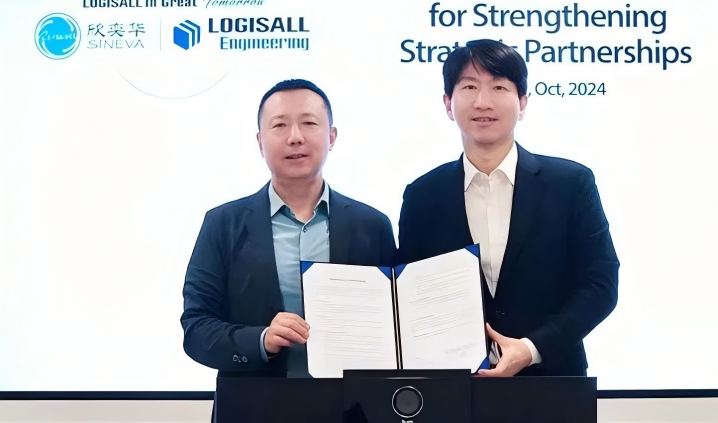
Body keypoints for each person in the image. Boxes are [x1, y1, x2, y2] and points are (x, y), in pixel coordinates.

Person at [398, 40, 619, 377]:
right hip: (453, 386)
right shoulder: (422, 195)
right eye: (469, 87)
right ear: (448, 103)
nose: (483, 101)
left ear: (522, 102)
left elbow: (600, 285)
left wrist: (531, 349)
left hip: (553, 381)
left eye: (499, 87)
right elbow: (410, 292)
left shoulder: (571, 184)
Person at [181, 79, 396, 382]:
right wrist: (261, 340)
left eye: (309, 123)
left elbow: (395, 323)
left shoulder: (372, 226)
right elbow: (196, 328)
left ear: (331, 137)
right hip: (255, 402)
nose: (295, 137)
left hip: (350, 402)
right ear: (260, 142)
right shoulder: (223, 224)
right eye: (280, 125)